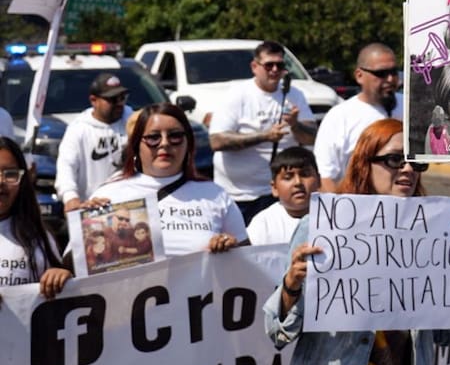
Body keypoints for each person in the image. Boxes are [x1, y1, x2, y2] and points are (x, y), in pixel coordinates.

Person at [264, 118, 450, 365]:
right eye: (394, 160)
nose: (407, 169)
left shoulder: (434, 234)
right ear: (364, 162)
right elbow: (276, 333)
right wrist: (291, 286)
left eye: (416, 161)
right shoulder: (322, 227)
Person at [89, 103, 247, 256]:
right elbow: (77, 264)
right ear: (136, 145)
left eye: (175, 136)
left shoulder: (215, 195)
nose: (164, 143)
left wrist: (231, 249)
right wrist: (86, 225)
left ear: (188, 144)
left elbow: (248, 260)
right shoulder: (108, 196)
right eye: (153, 137)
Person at [209, 41, 316, 223]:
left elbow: (312, 137)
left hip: (279, 193)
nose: (275, 70)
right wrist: (264, 136)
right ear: (254, 66)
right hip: (241, 195)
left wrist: (295, 125)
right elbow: (217, 141)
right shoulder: (237, 94)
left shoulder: (294, 95)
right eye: (269, 65)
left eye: (280, 65)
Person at [313, 43, 403, 192]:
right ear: (359, 76)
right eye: (381, 73)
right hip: (357, 209)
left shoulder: (410, 107)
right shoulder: (339, 117)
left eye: (394, 72)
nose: (390, 79)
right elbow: (325, 177)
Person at [0, 137, 72, 296]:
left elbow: (60, 303)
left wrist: (61, 277)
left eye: (10, 174)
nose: (1, 181)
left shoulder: (38, 238)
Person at [55, 73, 133, 213]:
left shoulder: (132, 121)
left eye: (122, 97)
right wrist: (70, 196)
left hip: (130, 206)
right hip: (94, 208)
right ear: (93, 100)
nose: (119, 103)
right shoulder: (78, 129)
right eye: (112, 99)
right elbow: (66, 166)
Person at [248, 147, 320, 246]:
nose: (298, 182)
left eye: (305, 174)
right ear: (274, 188)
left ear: (319, 180)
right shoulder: (263, 223)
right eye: (288, 177)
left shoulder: (335, 216)